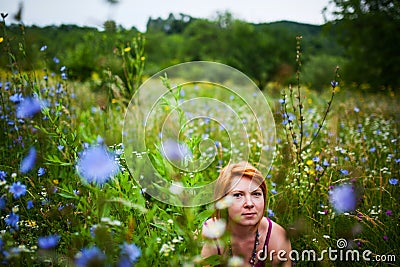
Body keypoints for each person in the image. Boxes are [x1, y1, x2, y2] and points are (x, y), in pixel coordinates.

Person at [201, 161, 292, 266]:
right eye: (238, 195)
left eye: (256, 194)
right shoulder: (209, 235)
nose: (249, 203)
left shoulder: (276, 237)